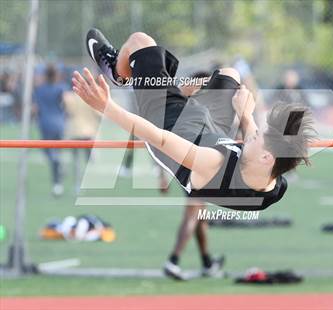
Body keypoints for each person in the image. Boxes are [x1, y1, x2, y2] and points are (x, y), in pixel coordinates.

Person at [73, 28, 314, 211]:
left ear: (265, 157)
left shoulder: (213, 163)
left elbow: (160, 139)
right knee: (231, 74)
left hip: (168, 122)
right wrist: (245, 115)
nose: (252, 135)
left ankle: (119, 71)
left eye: (258, 137)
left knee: (140, 41)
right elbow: (259, 145)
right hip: (212, 131)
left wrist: (107, 107)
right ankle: (183, 88)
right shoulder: (274, 184)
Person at [164, 71, 224, 280]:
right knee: (193, 213)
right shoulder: (198, 110)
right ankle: (173, 261)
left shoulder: (186, 107)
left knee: (199, 214)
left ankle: (207, 262)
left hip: (189, 163)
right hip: (197, 165)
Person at [33, 64, 67, 196]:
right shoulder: (61, 88)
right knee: (55, 152)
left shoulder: (40, 90)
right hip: (59, 123)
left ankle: (57, 183)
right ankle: (58, 176)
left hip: (46, 124)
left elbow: (35, 108)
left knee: (50, 154)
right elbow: (65, 105)